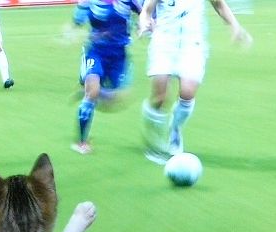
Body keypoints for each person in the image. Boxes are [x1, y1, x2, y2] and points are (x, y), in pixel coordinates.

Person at [138, 0, 252, 164]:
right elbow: (147, 10)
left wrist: (235, 26)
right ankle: (154, 139)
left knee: (187, 93)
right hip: (164, 41)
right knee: (160, 98)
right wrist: (144, 22)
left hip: (192, 43)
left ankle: (175, 130)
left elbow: (219, 5)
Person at [70, 0, 144, 155]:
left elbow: (143, 13)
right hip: (96, 52)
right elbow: (77, 20)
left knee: (116, 100)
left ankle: (89, 92)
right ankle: (82, 142)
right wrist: (73, 31)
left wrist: (142, 25)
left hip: (119, 55)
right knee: (92, 92)